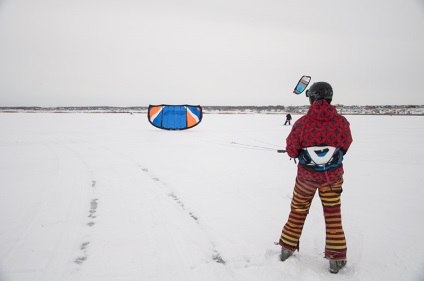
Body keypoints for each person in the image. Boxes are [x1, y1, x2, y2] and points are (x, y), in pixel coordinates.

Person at [278, 82, 353, 274]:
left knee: (297, 211)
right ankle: (336, 260)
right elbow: (346, 145)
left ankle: (286, 249)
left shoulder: (302, 123)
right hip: (333, 179)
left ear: (312, 97)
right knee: (333, 214)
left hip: (305, 179)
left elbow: (292, 149)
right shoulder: (342, 122)